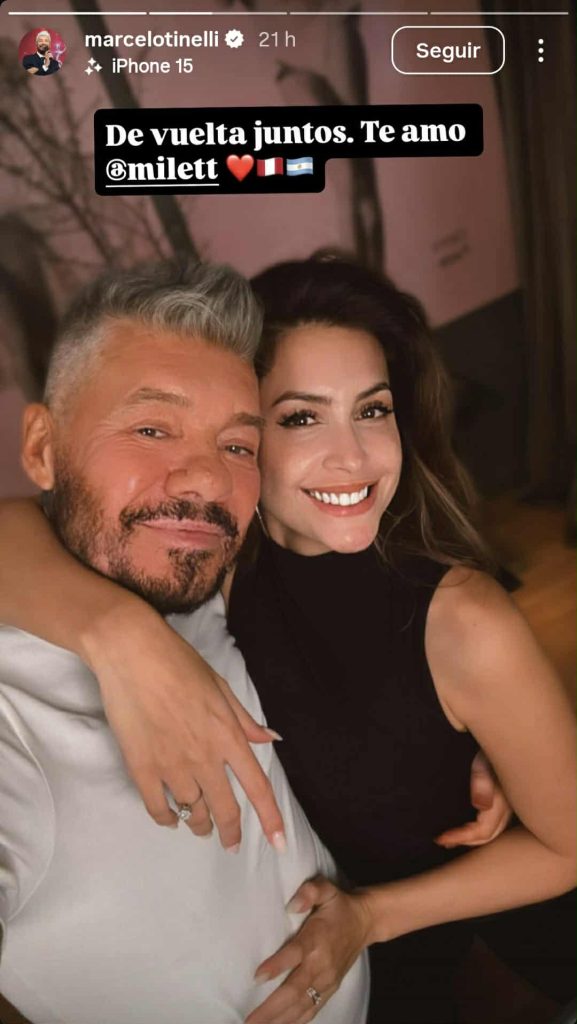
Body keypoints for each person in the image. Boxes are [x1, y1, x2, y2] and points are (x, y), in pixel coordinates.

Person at [0, 255, 574, 1023]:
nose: (353, 455)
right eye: (300, 417)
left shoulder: (461, 620)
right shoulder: (212, 571)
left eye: (372, 409)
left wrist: (373, 911)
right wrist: (120, 636)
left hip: (509, 961)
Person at [0, 261, 369, 1024]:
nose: (205, 479)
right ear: (41, 448)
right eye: (151, 429)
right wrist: (116, 634)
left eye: (237, 446)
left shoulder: (190, 585)